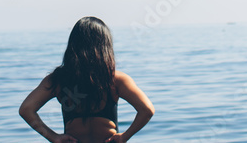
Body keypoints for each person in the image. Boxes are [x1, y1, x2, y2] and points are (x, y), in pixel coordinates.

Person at [19, 16, 154, 143]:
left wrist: (53, 137)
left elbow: (26, 109)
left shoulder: (57, 80)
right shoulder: (116, 80)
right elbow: (147, 110)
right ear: (105, 46)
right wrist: (125, 137)